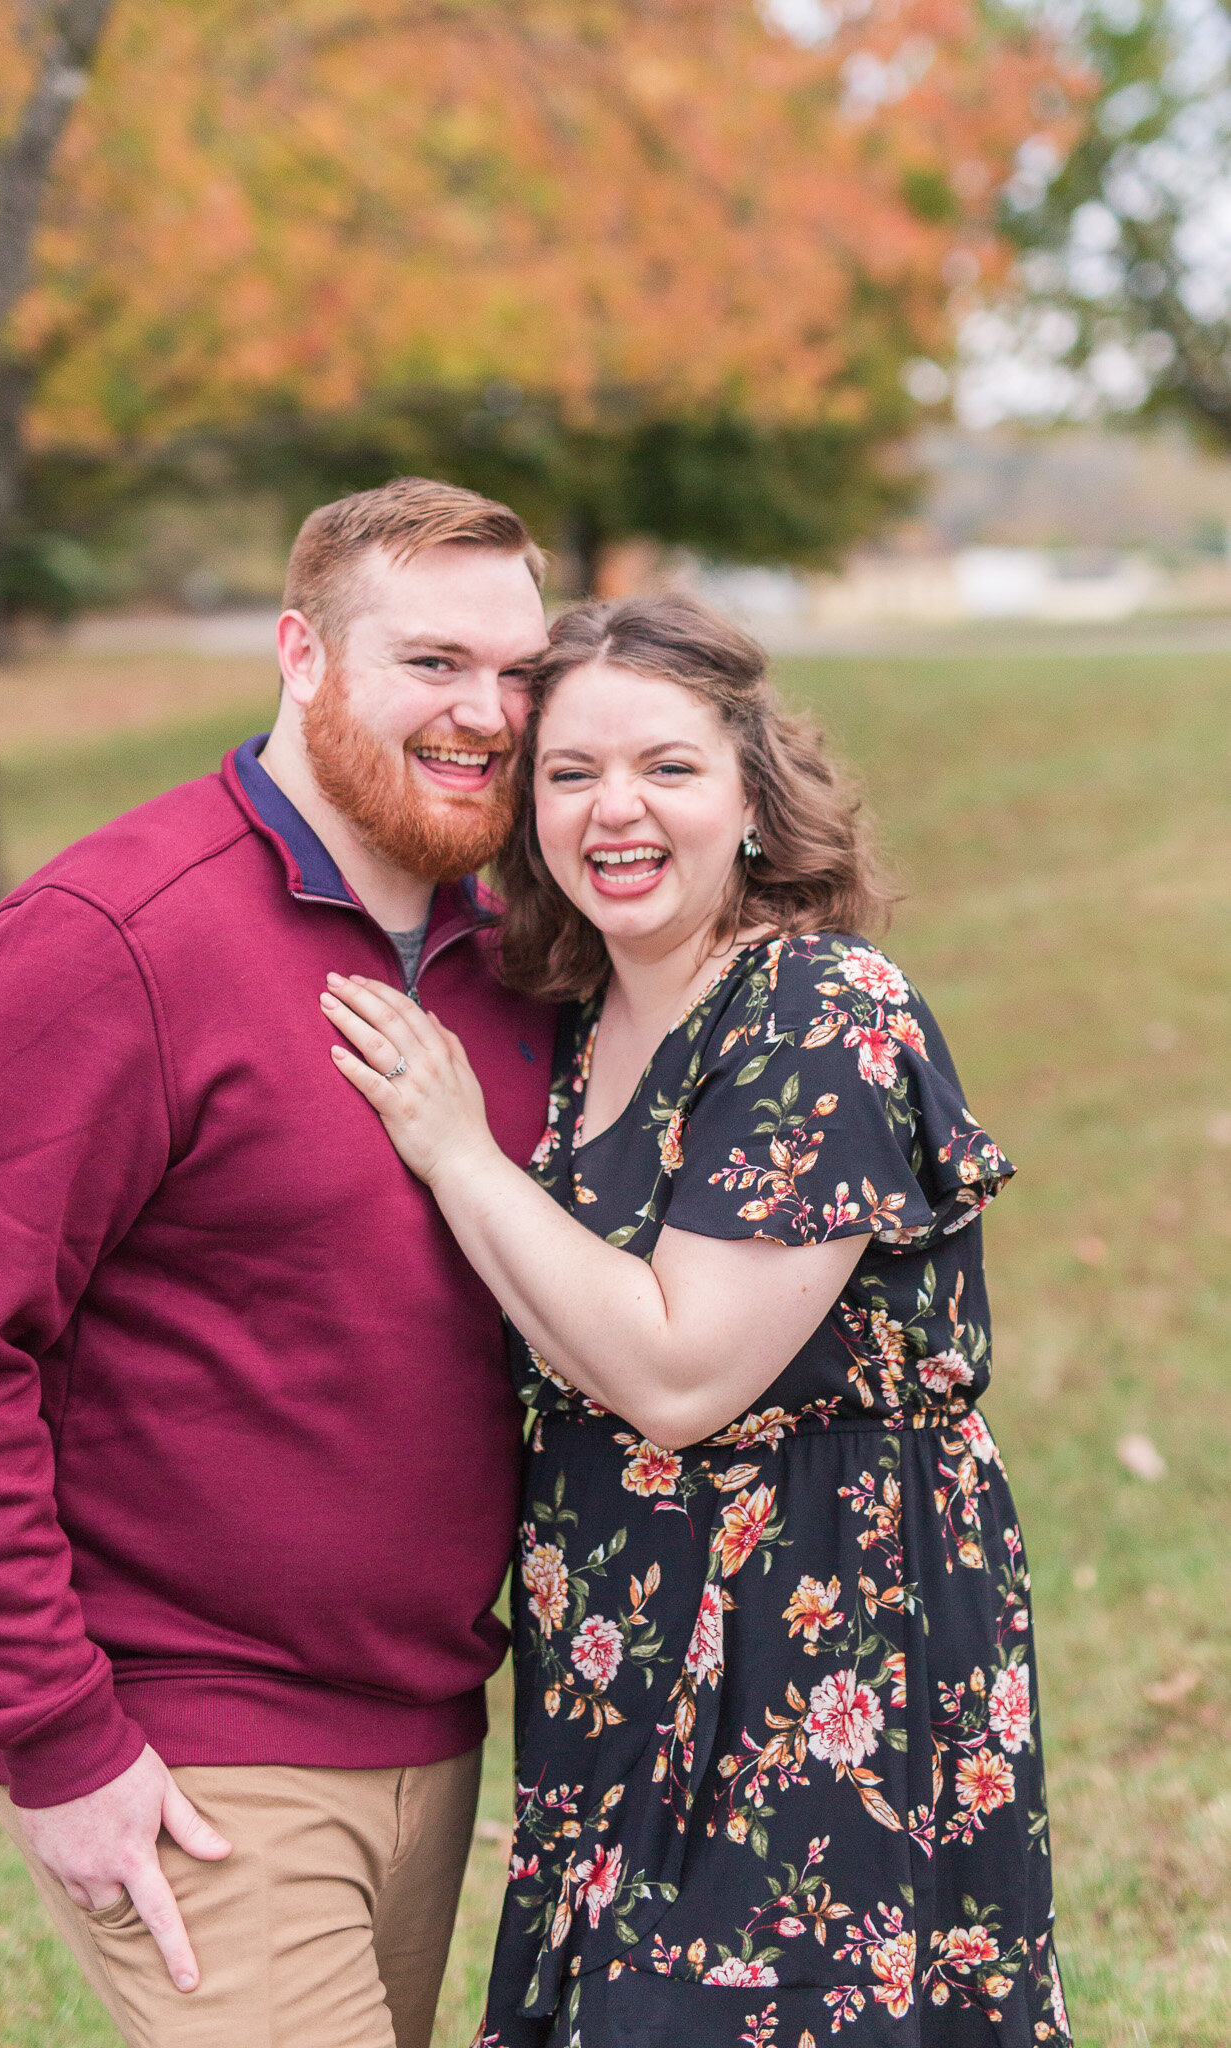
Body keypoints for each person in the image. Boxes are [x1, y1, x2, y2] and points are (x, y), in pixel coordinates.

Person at [324, 592, 1072, 2048]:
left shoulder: (818, 1011)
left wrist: (456, 1150)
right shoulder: (574, 1019)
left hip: (815, 1627)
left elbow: (679, 1376)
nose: (618, 810)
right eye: (570, 772)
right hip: (614, 1627)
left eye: (667, 767)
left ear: (750, 793)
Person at [0, 479, 556, 2048]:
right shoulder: (111, 937)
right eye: (432, 664)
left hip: (438, 1728)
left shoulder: (516, 955)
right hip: (194, 1744)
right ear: (301, 655)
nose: (487, 713)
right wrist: (56, 1741)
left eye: (518, 672)